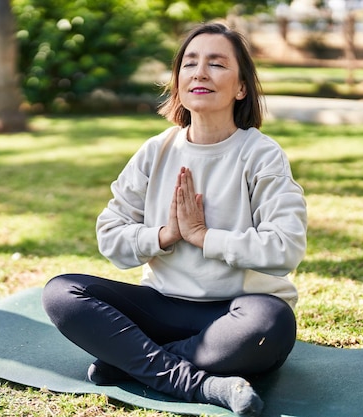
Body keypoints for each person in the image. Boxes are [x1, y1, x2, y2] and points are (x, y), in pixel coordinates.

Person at [42, 22, 307, 417]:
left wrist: (203, 236)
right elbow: (110, 236)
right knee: (62, 293)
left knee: (271, 324)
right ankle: (200, 384)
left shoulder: (261, 154)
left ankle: (130, 362)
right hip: (161, 308)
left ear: (241, 87)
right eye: (190, 64)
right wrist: (165, 235)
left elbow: (286, 248)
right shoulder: (156, 150)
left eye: (216, 64)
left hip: (236, 314)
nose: (200, 73)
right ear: (178, 80)